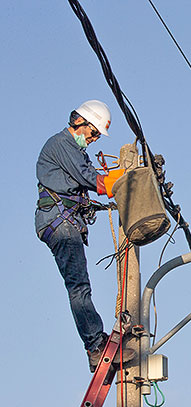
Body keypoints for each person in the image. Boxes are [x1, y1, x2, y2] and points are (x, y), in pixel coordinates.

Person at [35, 100, 129, 372]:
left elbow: (90, 182)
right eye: (94, 132)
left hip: (64, 221)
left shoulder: (75, 150)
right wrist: (131, 176)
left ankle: (95, 341)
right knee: (79, 287)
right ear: (81, 122)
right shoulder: (63, 144)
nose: (94, 138)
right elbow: (95, 182)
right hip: (58, 223)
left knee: (80, 286)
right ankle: (95, 345)